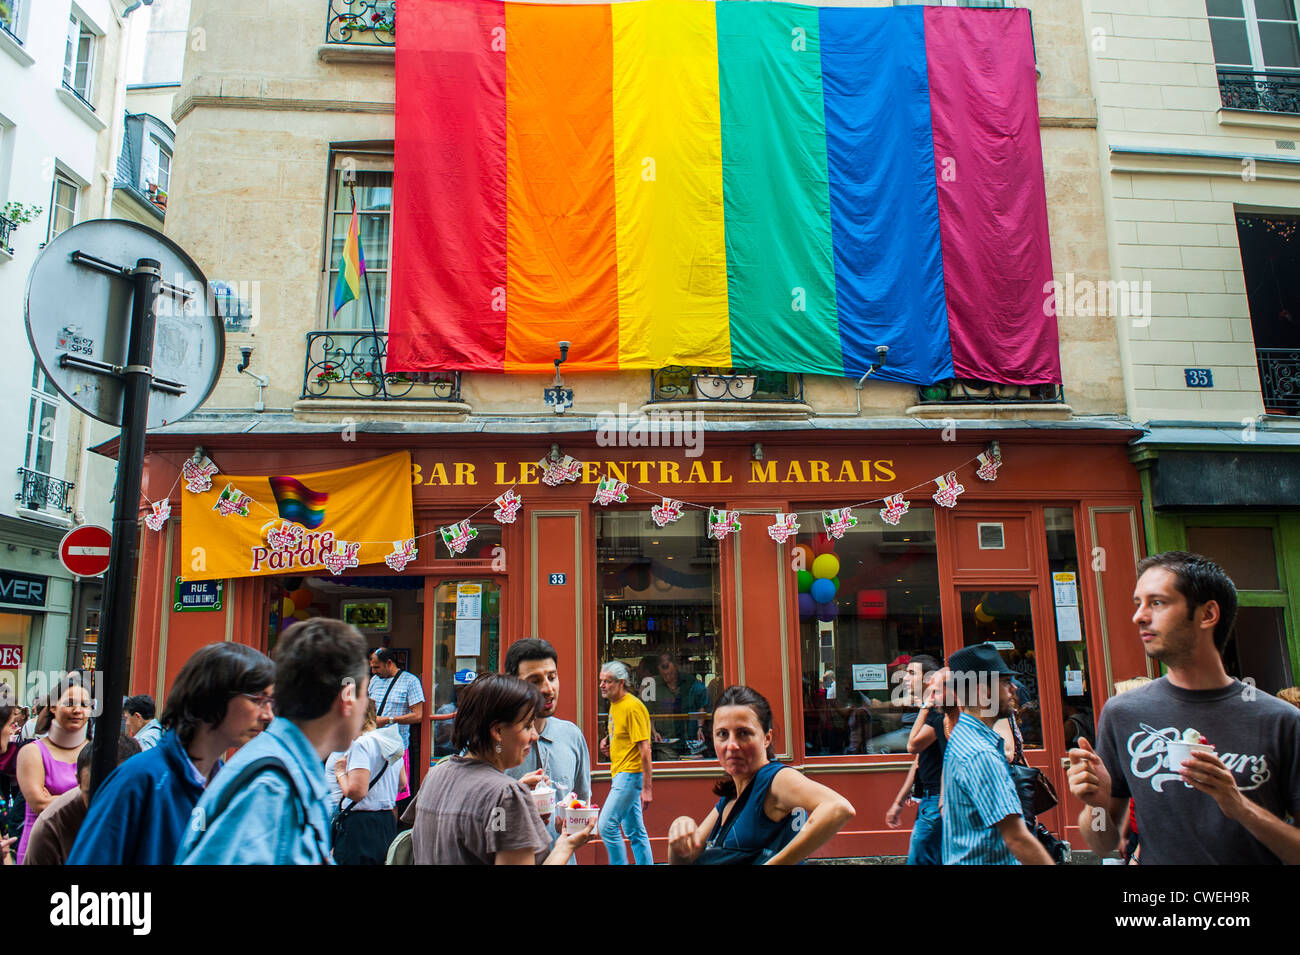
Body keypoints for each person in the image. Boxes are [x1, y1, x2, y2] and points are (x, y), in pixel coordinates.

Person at [1069, 552, 1300, 865]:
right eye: (1138, 603)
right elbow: (1103, 843)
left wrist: (1239, 807)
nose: (1139, 616)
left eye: (1157, 603)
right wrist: (1095, 805)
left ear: (1207, 615)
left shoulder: (1282, 721)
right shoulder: (1122, 713)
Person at [177, 618, 369, 864]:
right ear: (347, 698)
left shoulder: (284, 772)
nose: (365, 707)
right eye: (365, 693)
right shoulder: (271, 788)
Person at [68, 642, 275, 865]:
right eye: (257, 699)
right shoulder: (138, 780)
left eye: (271, 701)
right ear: (213, 696)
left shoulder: (229, 787)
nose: (268, 715)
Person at [402, 673, 594, 864]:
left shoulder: (435, 775)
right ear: (498, 731)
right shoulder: (506, 796)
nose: (534, 736)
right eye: (527, 726)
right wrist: (565, 846)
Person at [667, 685, 854, 864]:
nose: (732, 745)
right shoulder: (730, 800)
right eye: (722, 734)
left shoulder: (775, 779)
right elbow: (685, 858)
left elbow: (838, 807)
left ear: (767, 738)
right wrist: (678, 830)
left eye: (744, 733)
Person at [940, 644, 1054, 865]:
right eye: (1005, 682)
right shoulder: (981, 753)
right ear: (984, 691)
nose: (1014, 688)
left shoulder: (964, 736)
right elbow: (1017, 838)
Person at [503, 638, 592, 855]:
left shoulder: (572, 735)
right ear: (513, 682)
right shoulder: (494, 742)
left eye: (552, 677)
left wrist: (578, 826)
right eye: (535, 681)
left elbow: (581, 801)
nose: (547, 688)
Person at [24, 734, 138, 865]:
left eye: (117, 795)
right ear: (78, 781)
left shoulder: (155, 808)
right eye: (92, 795)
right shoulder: (52, 826)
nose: (103, 806)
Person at [15, 675, 91, 865]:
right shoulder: (32, 751)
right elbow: (39, 804)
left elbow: (105, 801)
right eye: (70, 703)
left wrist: (55, 798)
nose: (77, 710)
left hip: (83, 849)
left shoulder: (96, 752)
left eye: (84, 704)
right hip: (41, 849)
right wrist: (86, 795)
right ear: (53, 707)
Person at [885, 654, 946, 865]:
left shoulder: (938, 714)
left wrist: (925, 706)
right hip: (929, 800)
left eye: (912, 673)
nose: (905, 678)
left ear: (929, 678)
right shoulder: (932, 713)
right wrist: (898, 801)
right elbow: (919, 760)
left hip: (937, 802)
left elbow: (913, 746)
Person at [329, 700, 406, 865]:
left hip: (360, 825)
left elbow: (357, 792)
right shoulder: (393, 743)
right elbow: (402, 782)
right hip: (386, 821)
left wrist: (340, 772)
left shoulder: (361, 744)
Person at [597, 661, 654, 865]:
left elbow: (645, 749)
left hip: (629, 775)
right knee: (635, 832)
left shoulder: (632, 707)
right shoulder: (615, 704)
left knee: (606, 826)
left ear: (621, 683)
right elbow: (623, 736)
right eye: (601, 681)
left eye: (607, 681)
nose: (602, 685)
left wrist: (647, 788)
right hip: (621, 772)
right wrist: (608, 743)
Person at [368, 647, 425, 806]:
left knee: (394, 796)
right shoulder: (374, 681)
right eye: (372, 667)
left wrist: (388, 720)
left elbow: (418, 715)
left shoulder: (410, 681)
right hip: (374, 745)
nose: (373, 671)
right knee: (375, 791)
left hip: (396, 748)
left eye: (376, 667)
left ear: (388, 663)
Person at [652, 651, 710, 754]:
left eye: (669, 672)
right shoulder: (654, 686)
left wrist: (700, 728)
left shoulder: (690, 682)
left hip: (690, 740)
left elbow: (701, 705)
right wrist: (653, 731)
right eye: (663, 670)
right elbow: (650, 712)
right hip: (665, 745)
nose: (667, 676)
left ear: (675, 666)